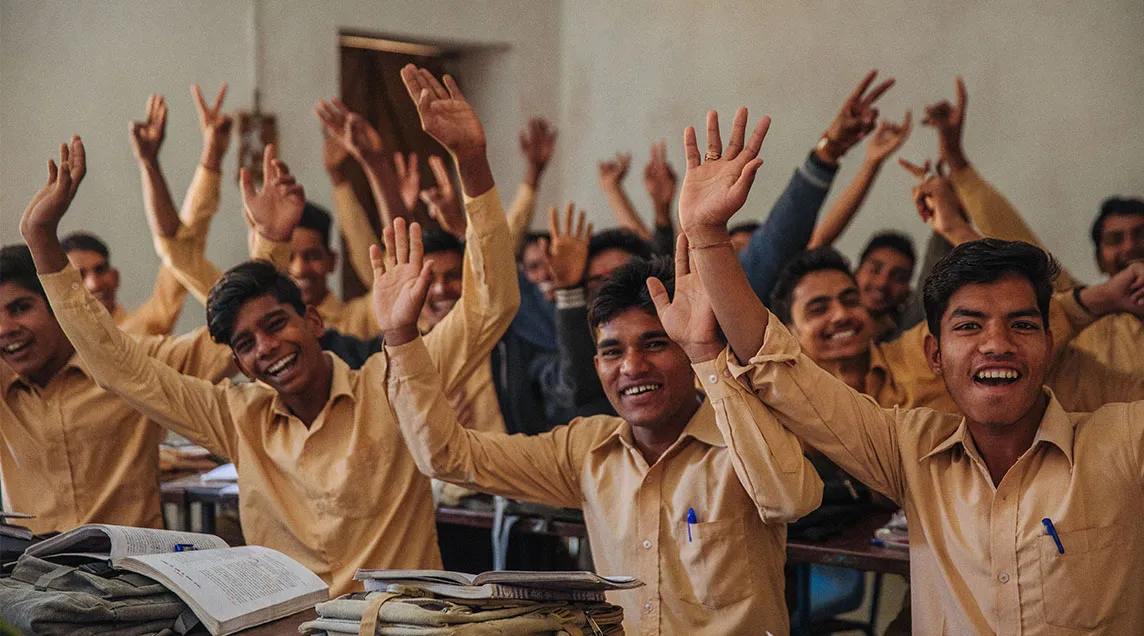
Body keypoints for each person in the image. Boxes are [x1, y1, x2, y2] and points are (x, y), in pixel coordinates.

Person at [24, 65, 520, 595]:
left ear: (313, 319)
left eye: (276, 324)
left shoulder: (393, 385)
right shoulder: (237, 418)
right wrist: (42, 243)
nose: (267, 348)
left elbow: (491, 306)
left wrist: (471, 162)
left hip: (395, 626)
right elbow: (121, 368)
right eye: (246, 344)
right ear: (239, 365)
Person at [675, 106, 1144, 634]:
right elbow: (778, 366)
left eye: (1022, 325)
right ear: (934, 355)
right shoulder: (911, 451)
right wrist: (709, 236)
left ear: (1049, 341)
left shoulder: (1121, 441)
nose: (997, 344)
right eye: (969, 326)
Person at [386, 227, 822, 635]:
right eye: (613, 351)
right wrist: (402, 335)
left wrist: (708, 356)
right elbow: (445, 457)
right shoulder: (586, 449)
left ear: (688, 349)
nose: (632, 367)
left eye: (655, 344)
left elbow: (793, 499)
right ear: (598, 367)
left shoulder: (740, 437)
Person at [3, 136, 232, 535]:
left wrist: (271, 247)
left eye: (20, 308)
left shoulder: (132, 366)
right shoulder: (5, 384)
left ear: (59, 302)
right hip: (33, 581)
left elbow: (240, 333)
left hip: (128, 581)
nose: (5, 329)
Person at [926, 78, 1144, 381]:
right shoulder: (1078, 312)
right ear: (1099, 259)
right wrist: (956, 160)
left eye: (1140, 234)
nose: (1131, 247)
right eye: (1115, 239)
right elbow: (1013, 239)